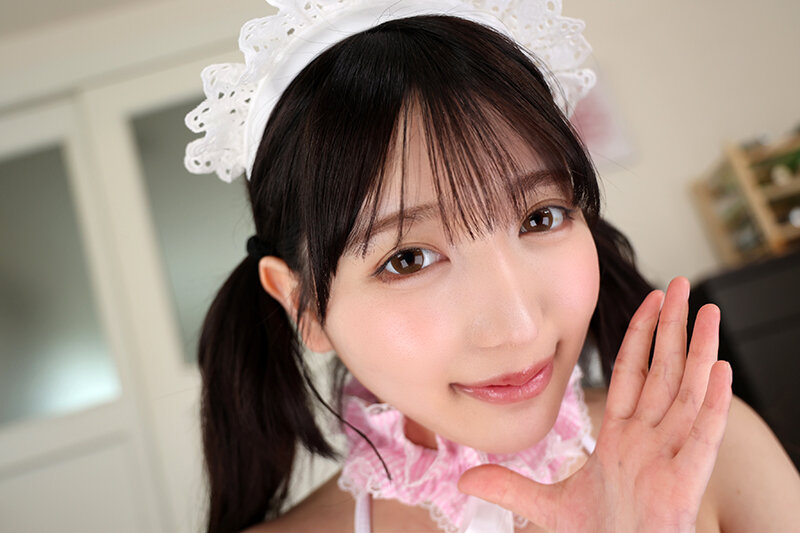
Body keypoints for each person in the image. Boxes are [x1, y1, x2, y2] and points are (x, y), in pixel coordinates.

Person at [184, 1, 800, 532]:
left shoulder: (717, 452)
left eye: (540, 217)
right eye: (409, 258)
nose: (518, 326)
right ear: (305, 306)